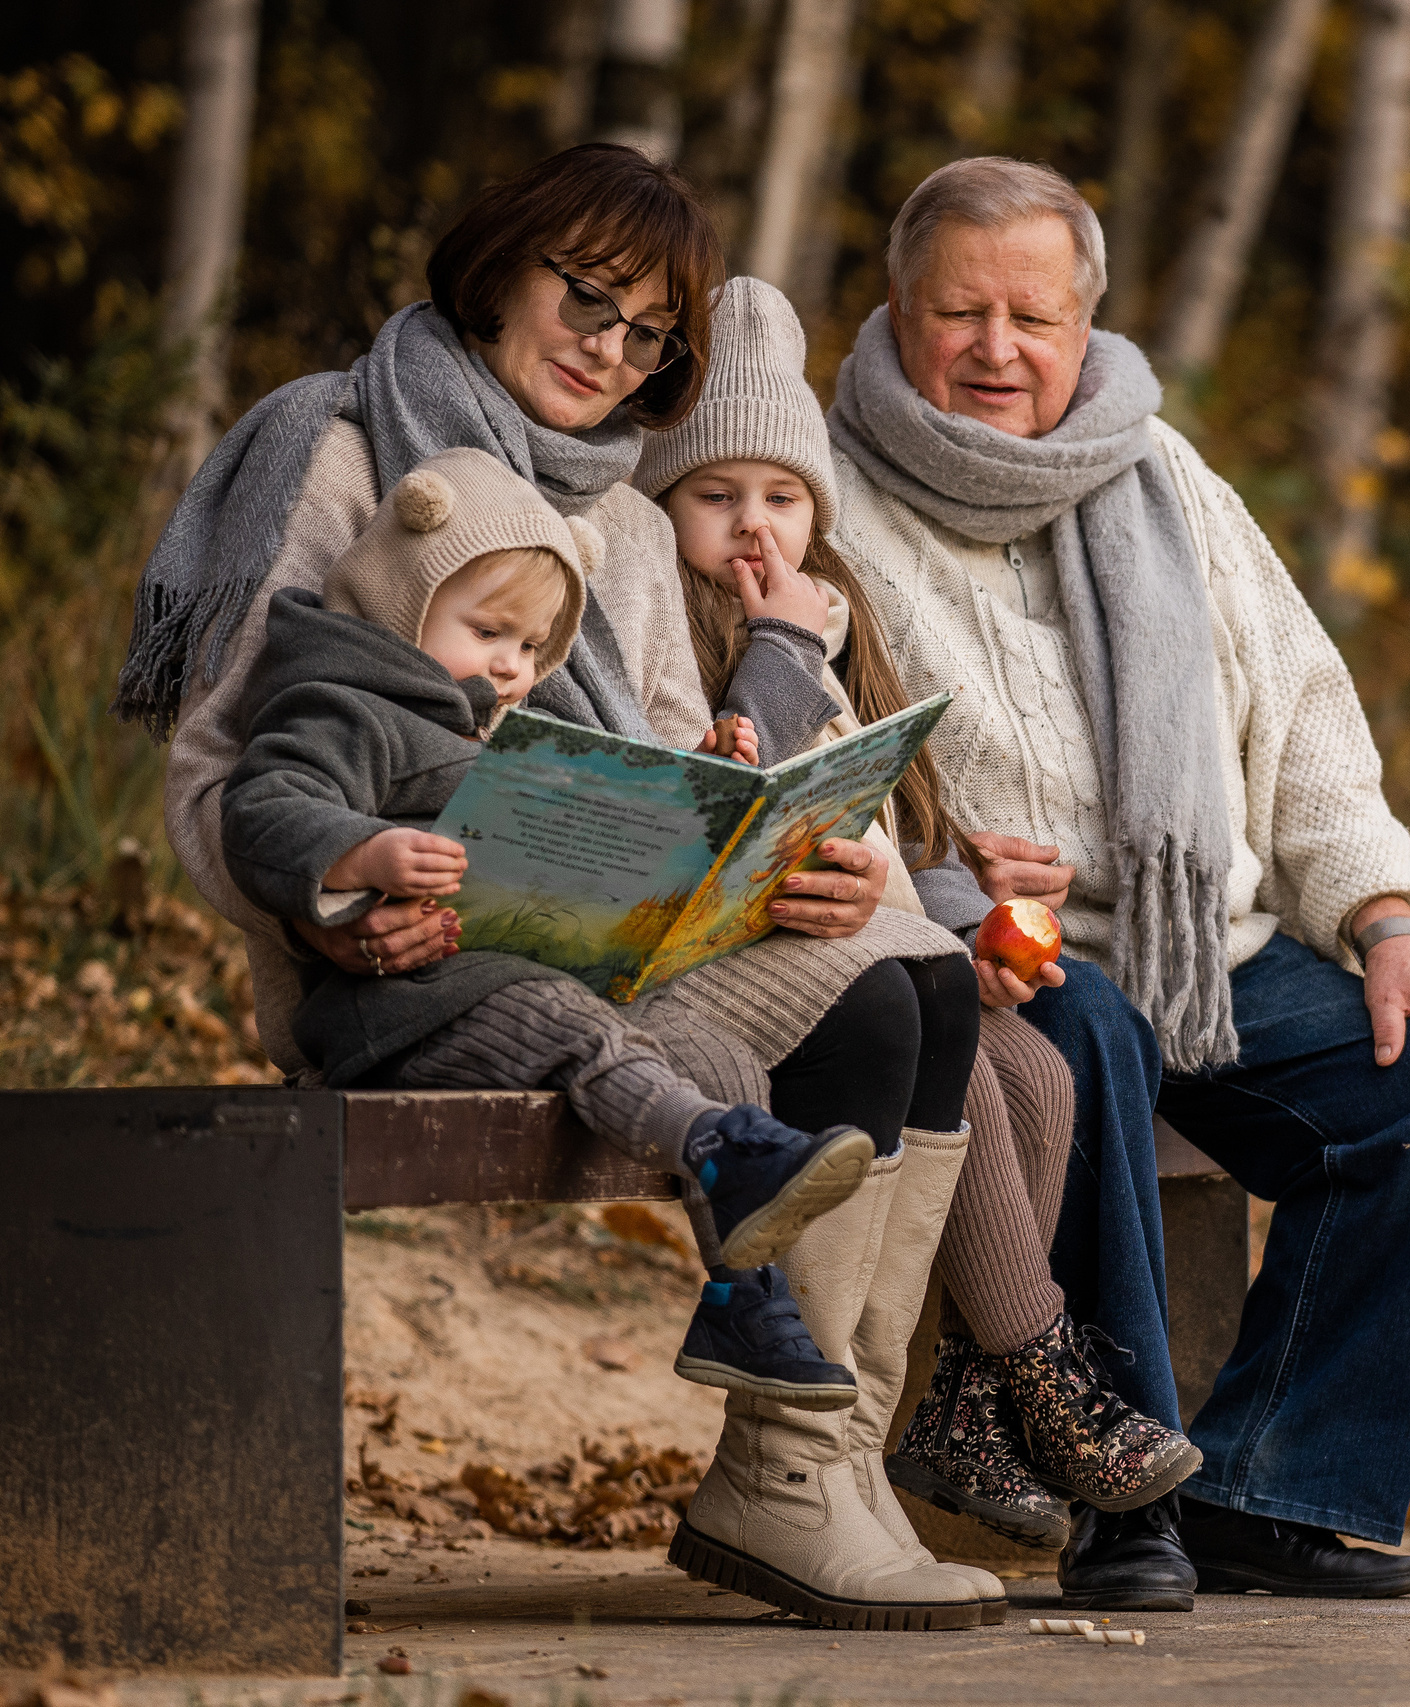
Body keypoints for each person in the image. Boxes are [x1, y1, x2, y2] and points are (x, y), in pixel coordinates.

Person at [127, 144, 999, 1631]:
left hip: (604, 941)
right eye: (586, 298)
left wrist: (779, 852)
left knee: (918, 965)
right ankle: (796, 1479)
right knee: (888, 988)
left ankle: (819, 1464)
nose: (612, 347)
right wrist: (333, 901)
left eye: (651, 330)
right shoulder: (347, 456)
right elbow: (221, 780)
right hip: (408, 968)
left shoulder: (622, 513)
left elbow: (667, 765)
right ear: (495, 273)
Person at [828, 157, 1410, 1609]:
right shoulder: (823, 490)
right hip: (1003, 953)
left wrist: (1389, 923)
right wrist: (939, 887)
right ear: (896, 312)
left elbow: (1305, 716)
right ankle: (1119, 1493)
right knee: (1084, 1039)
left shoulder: (1163, 476)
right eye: (959, 311)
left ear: (1088, 323)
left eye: (1034, 315)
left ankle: (1272, 1486)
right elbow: (807, 739)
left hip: (1208, 939)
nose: (997, 349)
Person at [632, 278, 1198, 1565]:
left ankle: (947, 1417)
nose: (753, 532)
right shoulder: (681, 627)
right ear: (664, 510)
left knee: (1041, 1076)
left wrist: (962, 915)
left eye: (781, 501)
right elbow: (697, 821)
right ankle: (1040, 1376)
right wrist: (775, 650)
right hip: (751, 981)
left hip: (875, 948)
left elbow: (901, 826)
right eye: (716, 500)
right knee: (988, 1082)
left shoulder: (835, 621)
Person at [220, 445, 876, 1312]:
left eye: (531, 645)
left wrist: (691, 784)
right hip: (403, 1011)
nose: (510, 665)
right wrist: (361, 852)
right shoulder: (347, 704)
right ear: (400, 601)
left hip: (522, 974)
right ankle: (717, 1151)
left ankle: (745, 1303)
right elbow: (261, 806)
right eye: (487, 632)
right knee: (567, 1023)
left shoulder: (491, 728)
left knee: (714, 1052)